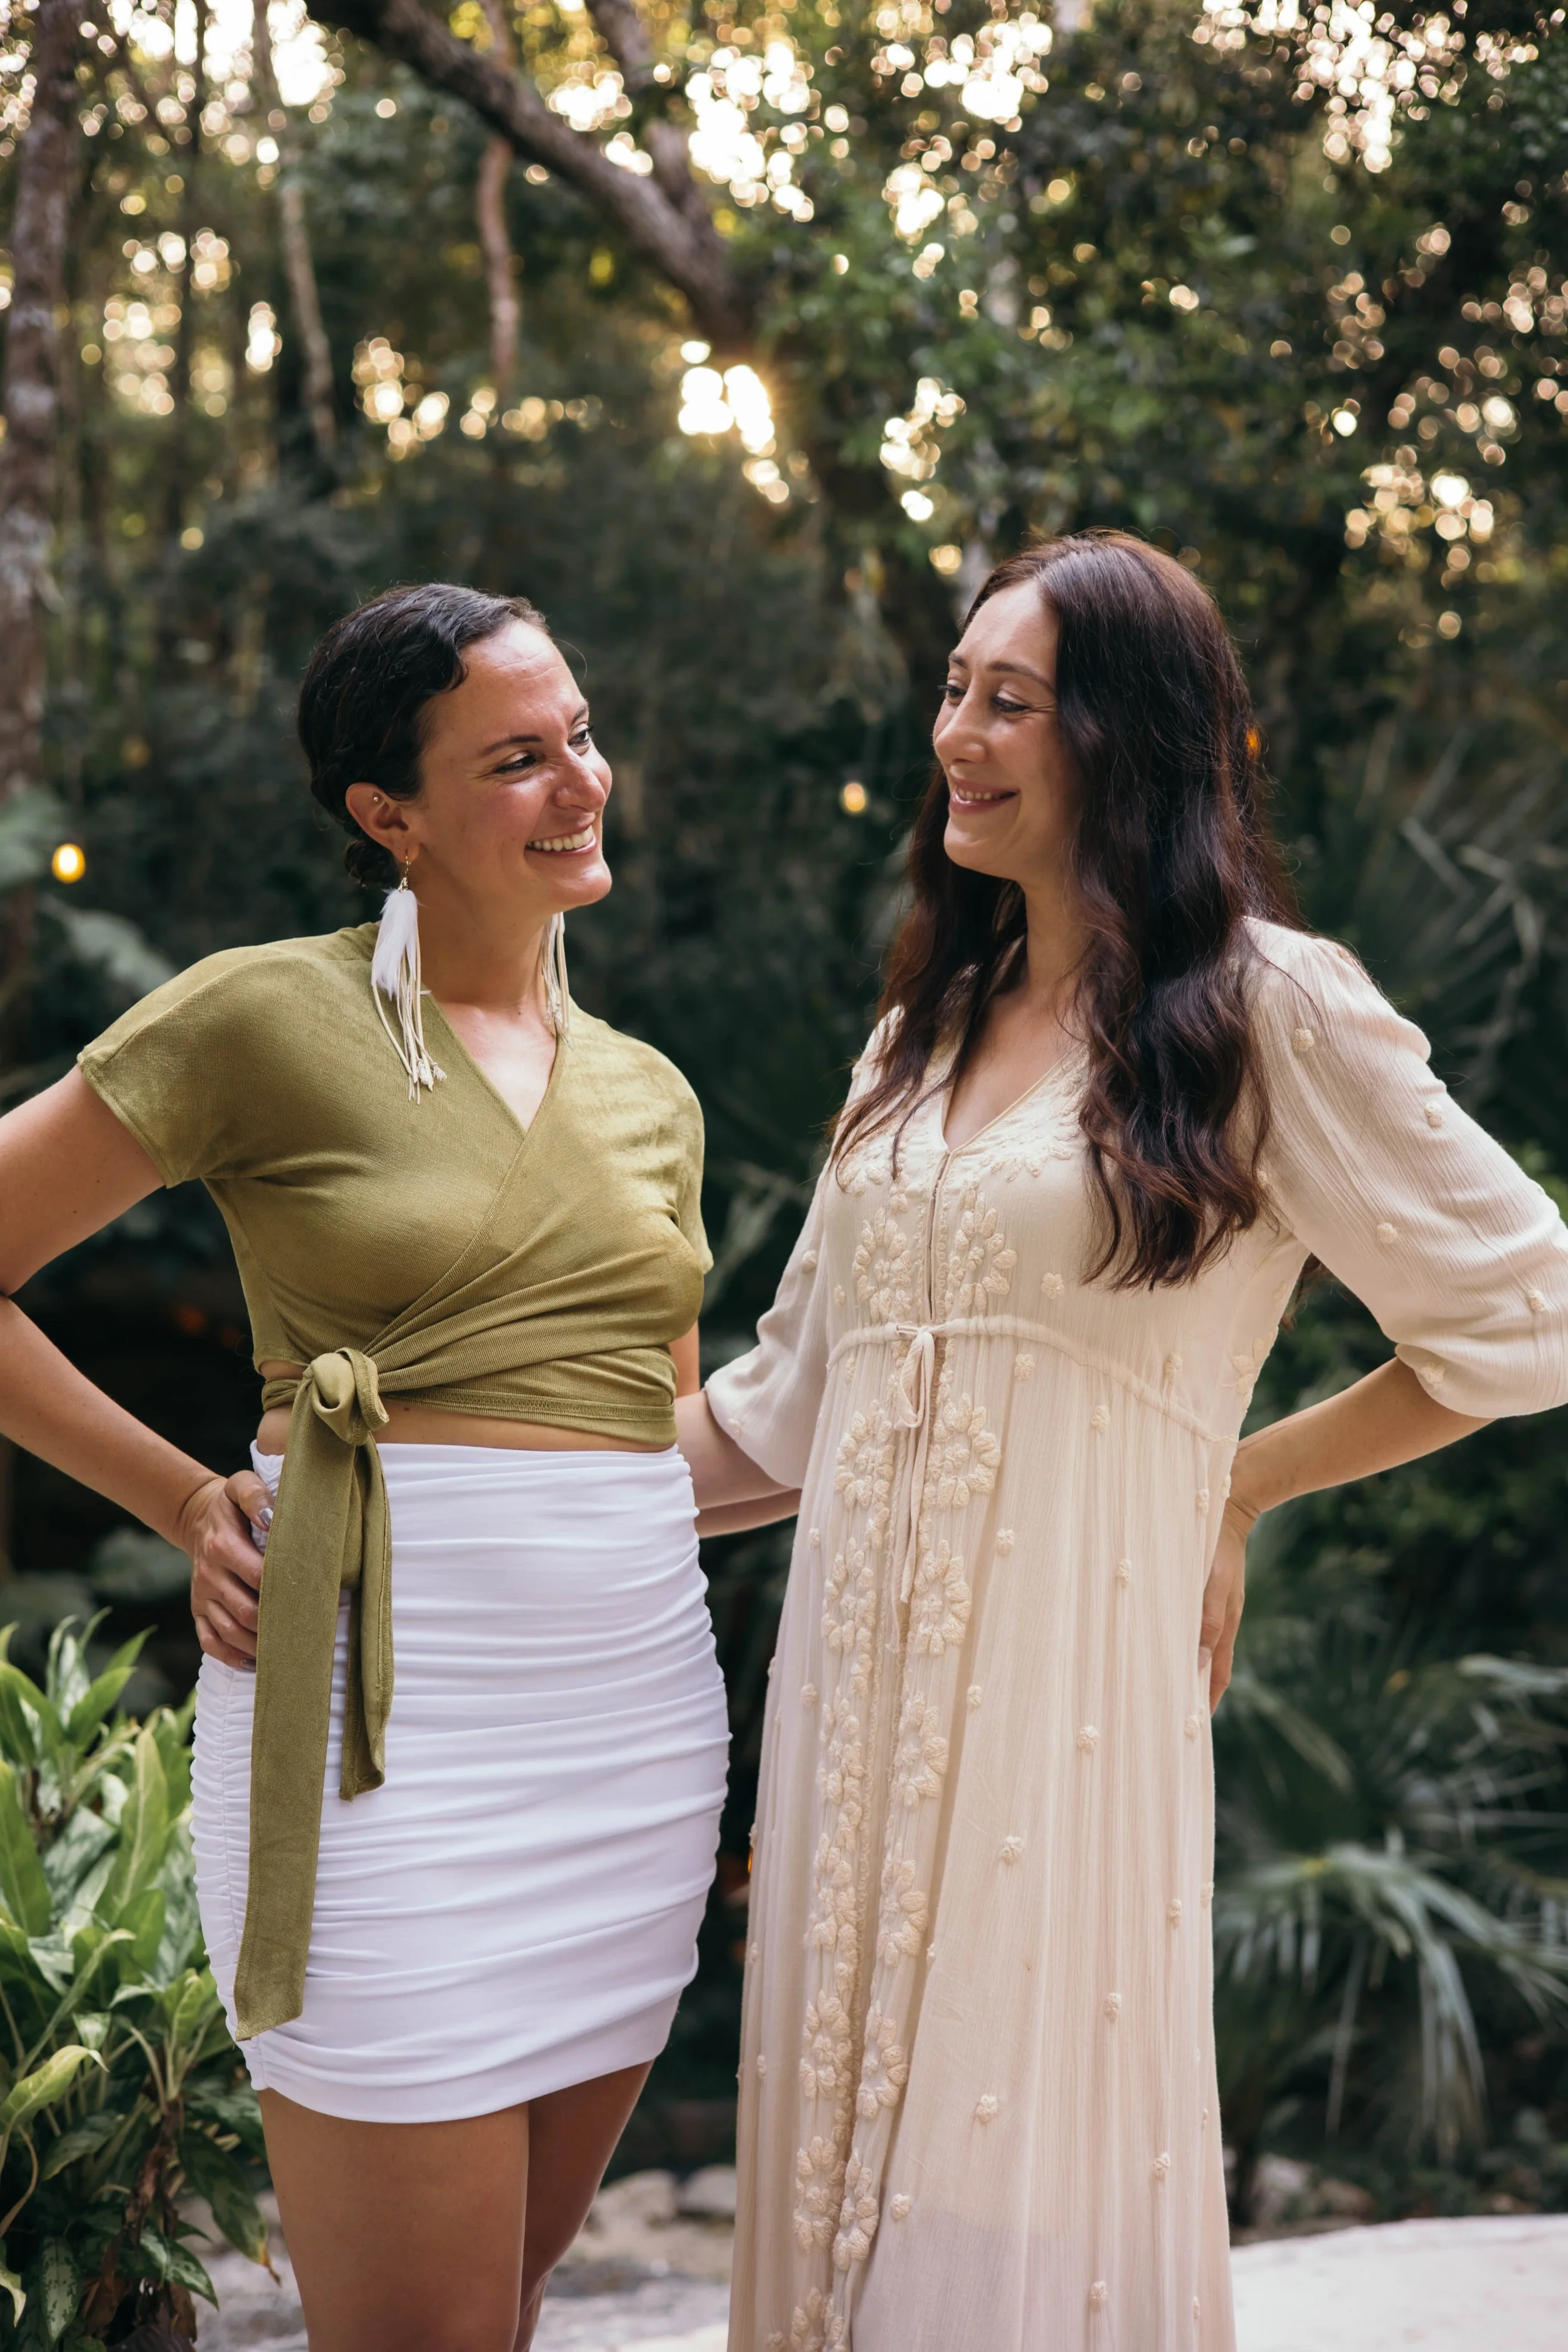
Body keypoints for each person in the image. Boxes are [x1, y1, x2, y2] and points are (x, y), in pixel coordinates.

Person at [674, 533, 1568, 2350]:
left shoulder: (1264, 1008)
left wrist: (1239, 1474)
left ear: (1127, 737)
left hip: (1060, 1723)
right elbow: (776, 1410)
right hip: (842, 1731)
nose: (958, 734)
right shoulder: (906, 1047)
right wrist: (454, 1476)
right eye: (951, 688)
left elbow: (1525, 1315)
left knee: (1003, 2224)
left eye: (1010, 700)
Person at [0, 584, 730, 2352]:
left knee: (509, 2299)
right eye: (515, 759)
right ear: (385, 815)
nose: (579, 781)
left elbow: (665, 1435)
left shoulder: (651, 1093)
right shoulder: (259, 1018)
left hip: (633, 1742)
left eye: (579, 737)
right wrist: (183, 1492)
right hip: (375, 1754)